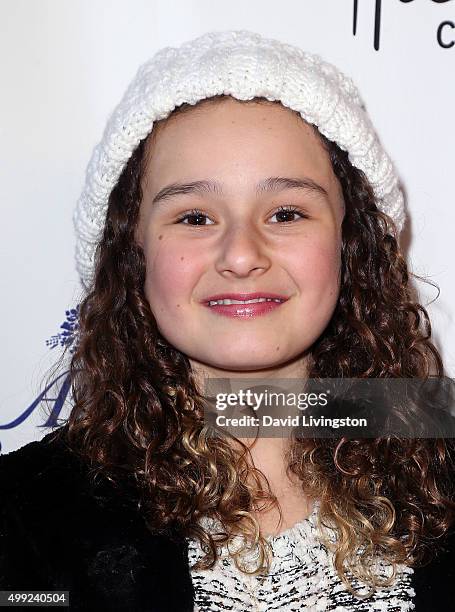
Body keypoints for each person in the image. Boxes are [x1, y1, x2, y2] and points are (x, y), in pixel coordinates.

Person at [1, 29, 454, 612]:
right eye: (194, 217)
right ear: (132, 252)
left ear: (352, 245)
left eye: (286, 212)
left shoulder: (441, 470)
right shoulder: (26, 522)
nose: (241, 255)